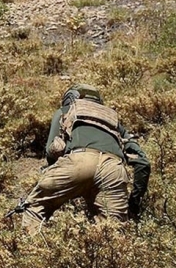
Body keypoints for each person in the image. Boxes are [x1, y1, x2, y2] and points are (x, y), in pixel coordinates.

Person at [20, 84, 150, 233]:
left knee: (35, 208)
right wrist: (133, 203)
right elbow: (143, 163)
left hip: (79, 161)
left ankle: (33, 250)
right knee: (113, 235)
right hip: (114, 169)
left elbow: (51, 153)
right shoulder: (114, 122)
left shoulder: (65, 111)